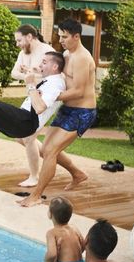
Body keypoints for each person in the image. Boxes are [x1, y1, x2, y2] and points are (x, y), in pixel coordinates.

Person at [18, 19, 97, 207]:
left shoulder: (82, 58)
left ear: (76, 36)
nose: (60, 40)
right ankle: (78, 174)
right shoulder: (68, 53)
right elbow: (60, 75)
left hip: (82, 111)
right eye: (59, 35)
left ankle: (36, 195)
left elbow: (78, 91)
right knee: (45, 150)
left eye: (65, 36)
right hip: (68, 109)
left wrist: (50, 96)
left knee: (51, 151)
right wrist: (38, 70)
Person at [0, 53, 66, 181]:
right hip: (23, 120)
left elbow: (39, 108)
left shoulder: (55, 84)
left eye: (44, 62)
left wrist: (31, 85)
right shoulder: (50, 80)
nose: (40, 65)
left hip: (26, 121)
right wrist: (31, 74)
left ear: (54, 66)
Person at [11, 25, 55, 187]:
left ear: (29, 37)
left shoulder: (47, 51)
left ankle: (34, 177)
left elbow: (55, 75)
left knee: (28, 136)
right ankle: (52, 156)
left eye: (19, 40)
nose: (18, 44)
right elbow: (13, 73)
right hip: (32, 93)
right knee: (18, 134)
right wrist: (26, 74)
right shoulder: (23, 53)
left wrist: (33, 73)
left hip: (46, 95)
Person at [44, 197, 85, 262]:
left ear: (50, 214)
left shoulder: (51, 233)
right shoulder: (74, 228)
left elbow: (52, 255)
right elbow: (83, 245)